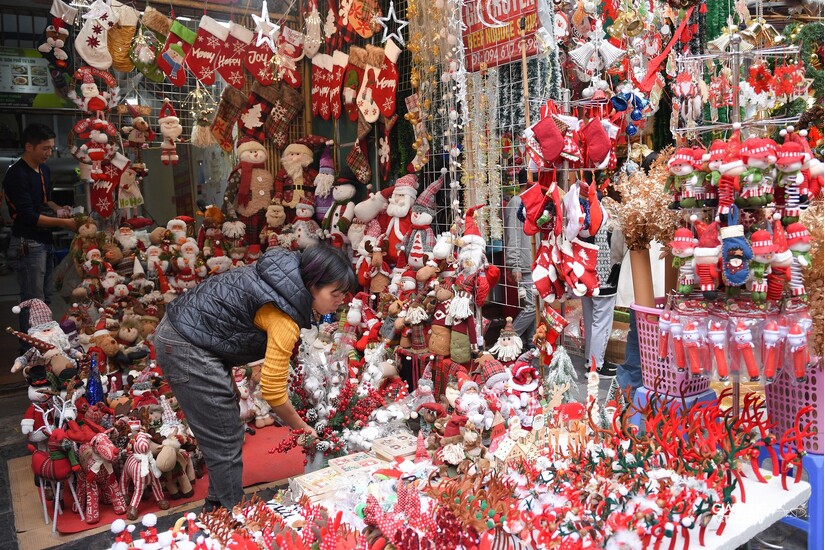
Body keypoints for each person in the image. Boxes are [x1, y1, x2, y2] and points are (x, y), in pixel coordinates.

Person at [153, 243, 357, 511]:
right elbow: (272, 391)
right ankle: (230, 515)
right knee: (224, 436)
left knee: (226, 430)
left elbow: (221, 321)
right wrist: (301, 427)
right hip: (184, 344)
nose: (340, 300)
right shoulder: (283, 317)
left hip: (189, 334)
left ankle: (217, 505)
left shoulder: (281, 277)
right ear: (313, 284)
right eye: (335, 293)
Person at [2, 124, 77, 335]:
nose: (49, 153)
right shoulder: (16, 174)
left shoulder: (44, 169)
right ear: (28, 146)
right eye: (44, 148)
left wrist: (59, 209)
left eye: (51, 148)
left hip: (44, 241)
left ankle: (46, 347)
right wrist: (65, 224)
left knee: (45, 298)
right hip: (27, 242)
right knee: (33, 302)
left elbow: (45, 201)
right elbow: (28, 216)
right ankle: (31, 353)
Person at [581, 213, 626, 377]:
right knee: (601, 322)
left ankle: (590, 360)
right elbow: (618, 248)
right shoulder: (609, 216)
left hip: (584, 274)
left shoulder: (583, 211)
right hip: (605, 275)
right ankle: (596, 366)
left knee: (590, 320)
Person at [503, 169, 536, 345]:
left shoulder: (528, 202)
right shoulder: (517, 202)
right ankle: (507, 340)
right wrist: (514, 264)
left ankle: (530, 342)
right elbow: (513, 235)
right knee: (532, 305)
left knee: (535, 304)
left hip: (531, 261)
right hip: (523, 262)